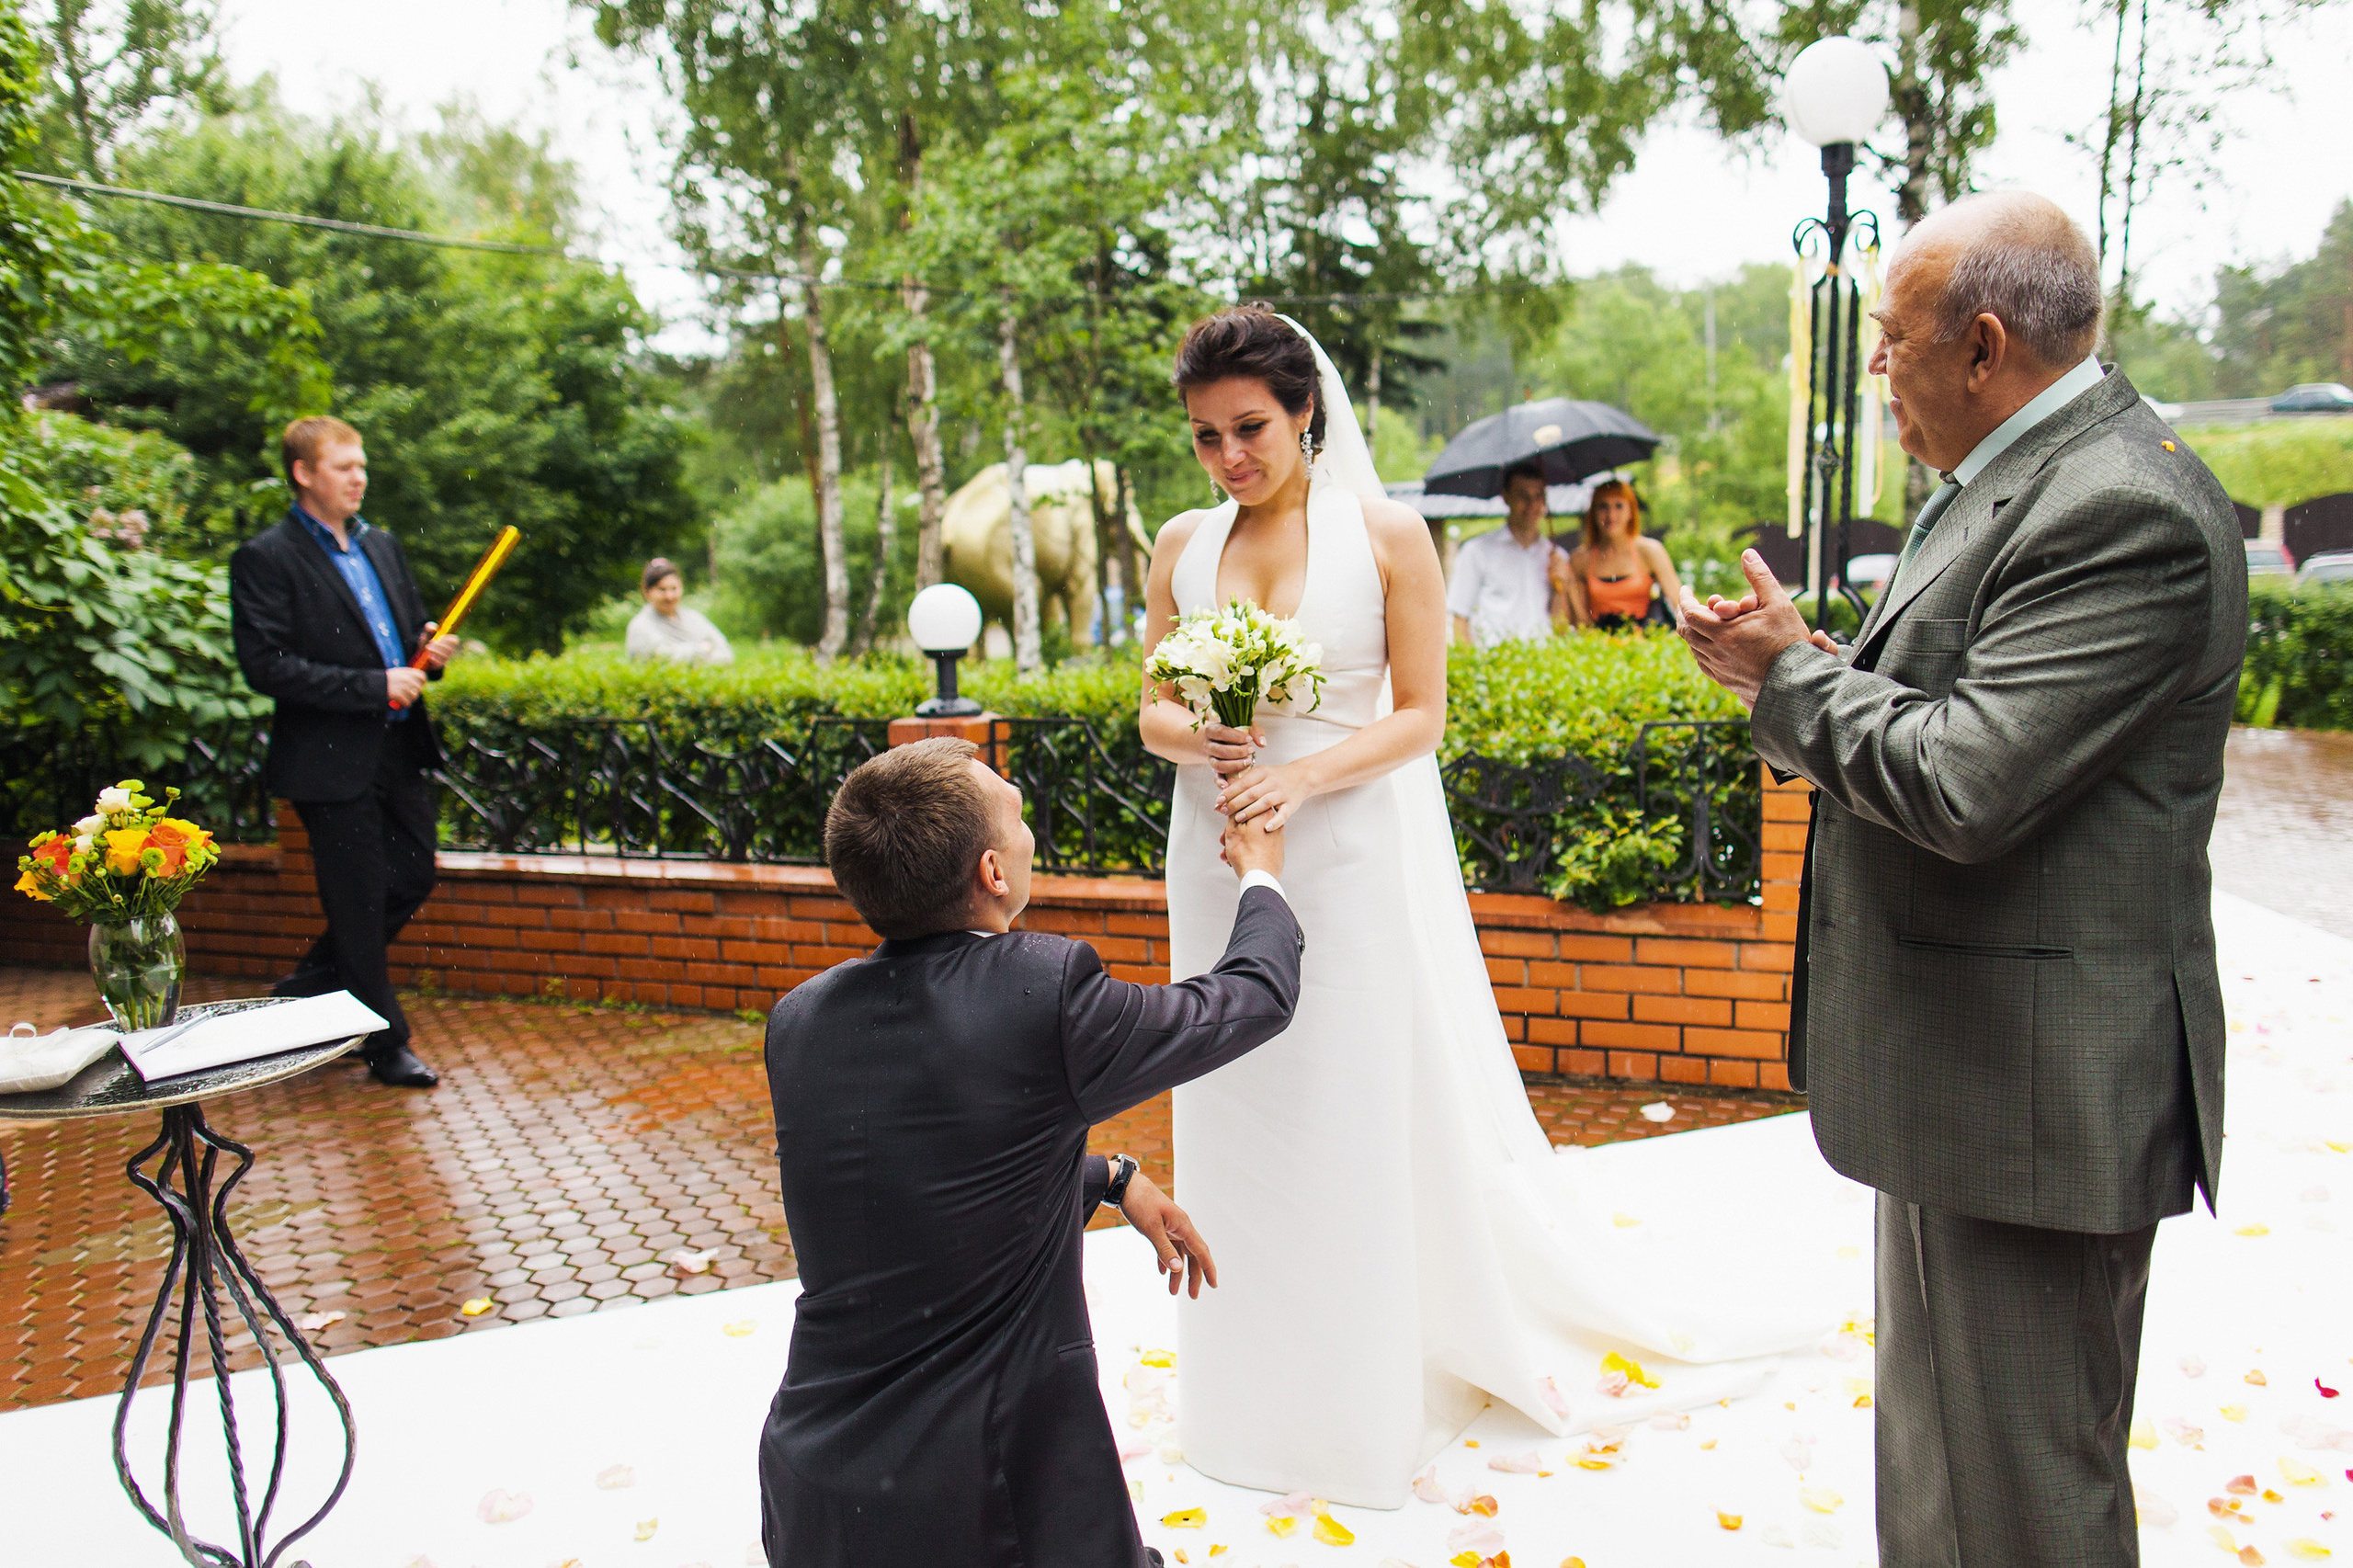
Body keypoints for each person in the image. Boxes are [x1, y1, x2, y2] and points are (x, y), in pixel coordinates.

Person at [1139, 305, 1837, 1509]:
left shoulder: (1388, 535)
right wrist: (1205, 735)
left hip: (1344, 853)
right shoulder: (1181, 543)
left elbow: (1421, 716)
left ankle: (1354, 1397)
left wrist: (1302, 775)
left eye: (1248, 427)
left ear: (1306, 412)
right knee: (1234, 1102)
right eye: (1205, 436)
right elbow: (1150, 705)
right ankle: (1245, 1392)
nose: (1228, 456)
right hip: (1214, 852)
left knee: (1343, 1104)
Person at [1677, 191, 2244, 1568]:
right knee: (1944, 1489)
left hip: (2037, 1100)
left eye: (1891, 337)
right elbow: (1965, 710)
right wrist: (1817, 661)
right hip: (1973, 1071)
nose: (1875, 367)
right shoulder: (2022, 473)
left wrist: (1786, 680)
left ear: (1984, 346)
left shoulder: (2122, 506)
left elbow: (1965, 779)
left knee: (2023, 1505)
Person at [757, 737, 1302, 1567]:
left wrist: (1115, 1179)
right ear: (993, 872)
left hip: (818, 1495)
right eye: (1015, 814)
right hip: (990, 1502)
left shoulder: (800, 1022)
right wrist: (1261, 874)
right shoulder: (1043, 993)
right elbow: (1251, 999)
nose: (1027, 826)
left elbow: (929, 1182)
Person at [230, 415, 460, 1089]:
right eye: (343, 466)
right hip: (325, 758)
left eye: (362, 465)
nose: (359, 478)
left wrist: (428, 653)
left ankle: (310, 986)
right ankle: (383, 1044)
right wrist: (372, 685)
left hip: (397, 744)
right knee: (356, 900)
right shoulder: (266, 557)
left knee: (412, 875)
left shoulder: (380, 545)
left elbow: (403, 642)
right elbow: (266, 666)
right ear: (304, 473)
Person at [1445, 460, 1567, 644]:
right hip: (1495, 659)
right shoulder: (1476, 551)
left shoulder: (1556, 557)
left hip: (1544, 659)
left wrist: (1560, 588)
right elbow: (1459, 618)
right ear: (1506, 497)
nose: (1532, 504)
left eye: (1538, 496)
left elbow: (1561, 629)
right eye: (1523, 496)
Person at [1561, 477, 1681, 630]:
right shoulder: (1580, 559)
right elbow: (1578, 622)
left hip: (1645, 638)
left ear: (1631, 511)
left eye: (1619, 506)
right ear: (1593, 513)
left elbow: (1679, 603)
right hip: (1598, 639)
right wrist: (1568, 585)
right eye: (1603, 506)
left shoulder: (1650, 551)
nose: (1611, 515)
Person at [624, 557, 734, 665]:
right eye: (662, 589)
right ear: (646, 592)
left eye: (674, 589)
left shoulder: (694, 618)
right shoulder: (640, 626)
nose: (669, 596)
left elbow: (726, 654)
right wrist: (704, 649)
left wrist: (689, 655)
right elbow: (665, 660)